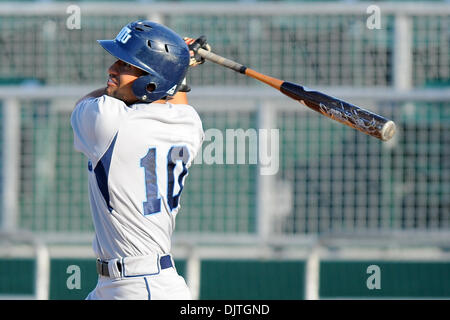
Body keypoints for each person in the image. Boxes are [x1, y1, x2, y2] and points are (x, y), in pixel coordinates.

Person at [70, 20, 209, 300]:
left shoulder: (107, 122)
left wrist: (181, 60)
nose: (111, 70)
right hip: (139, 284)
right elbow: (172, 95)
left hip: (138, 288)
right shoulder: (189, 123)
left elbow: (84, 104)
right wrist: (176, 64)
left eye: (125, 66)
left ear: (151, 81)